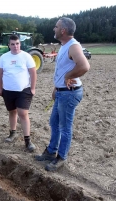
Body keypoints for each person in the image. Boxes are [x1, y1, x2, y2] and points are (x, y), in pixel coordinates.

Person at [35, 17, 90, 171]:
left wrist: (68, 77)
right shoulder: (64, 46)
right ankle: (51, 152)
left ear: (63, 30)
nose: (54, 28)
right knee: (54, 123)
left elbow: (85, 66)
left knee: (65, 127)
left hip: (69, 93)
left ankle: (61, 157)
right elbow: (62, 70)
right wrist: (57, 87)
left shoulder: (73, 46)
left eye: (56, 26)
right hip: (62, 92)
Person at [0, 34, 37, 152]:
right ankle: (12, 133)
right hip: (8, 90)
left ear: (20, 44)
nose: (15, 46)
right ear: (9, 45)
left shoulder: (26, 56)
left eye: (17, 43)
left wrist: (33, 88)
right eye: (13, 44)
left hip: (24, 90)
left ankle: (27, 140)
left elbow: (33, 73)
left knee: (23, 113)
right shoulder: (4, 57)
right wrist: (0, 88)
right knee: (12, 112)